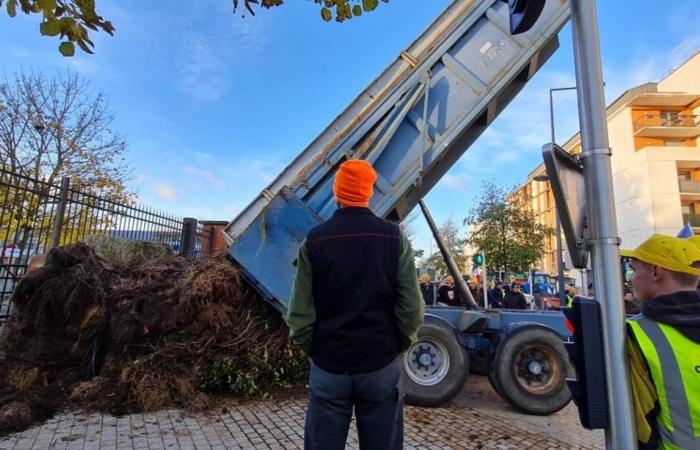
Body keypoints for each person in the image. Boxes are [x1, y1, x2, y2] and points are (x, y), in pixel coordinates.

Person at [286, 159, 424, 450]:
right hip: (381, 365)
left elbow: (299, 312)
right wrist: (400, 344)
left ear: (338, 193)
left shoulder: (314, 242)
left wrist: (312, 350)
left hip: (329, 367)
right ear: (368, 193)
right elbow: (411, 306)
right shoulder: (394, 238)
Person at [620, 234, 700, 450]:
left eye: (634, 270)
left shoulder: (637, 334)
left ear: (656, 272)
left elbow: (637, 421)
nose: (630, 278)